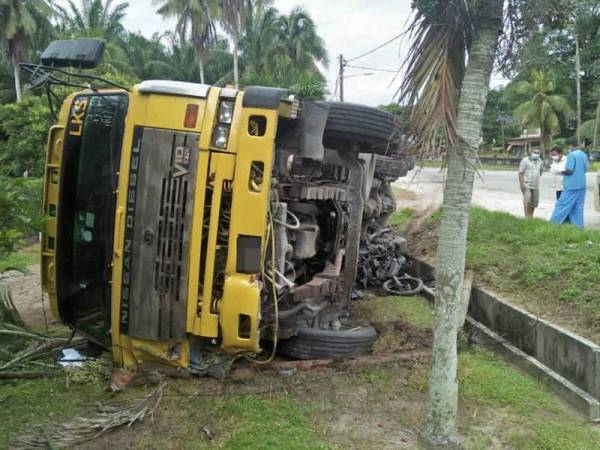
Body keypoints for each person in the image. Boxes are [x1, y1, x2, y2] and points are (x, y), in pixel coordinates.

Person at [550, 137, 589, 228]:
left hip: (571, 185)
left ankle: (553, 223)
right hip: (582, 185)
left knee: (562, 204)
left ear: (570, 145)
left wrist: (558, 171)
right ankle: (578, 226)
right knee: (578, 207)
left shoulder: (571, 155)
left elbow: (569, 171)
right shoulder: (583, 154)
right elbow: (586, 169)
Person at [518, 147, 544, 218]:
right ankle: (526, 217)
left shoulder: (540, 161)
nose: (537, 154)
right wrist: (522, 183)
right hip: (526, 184)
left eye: (538, 153)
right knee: (527, 201)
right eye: (535, 152)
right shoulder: (525, 160)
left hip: (535, 185)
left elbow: (541, 171)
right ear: (531, 152)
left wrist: (536, 176)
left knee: (533, 203)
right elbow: (520, 173)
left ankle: (530, 217)